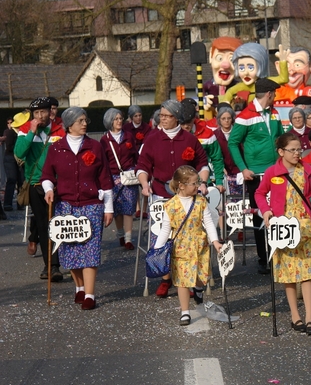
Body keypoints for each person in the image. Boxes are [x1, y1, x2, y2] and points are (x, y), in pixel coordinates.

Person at [41, 107, 114, 309]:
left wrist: (109, 208)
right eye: (80, 120)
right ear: (69, 124)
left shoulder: (95, 146)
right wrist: (49, 189)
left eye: (85, 120)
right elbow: (47, 175)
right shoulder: (56, 149)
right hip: (65, 205)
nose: (84, 124)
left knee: (90, 249)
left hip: (92, 205)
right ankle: (79, 288)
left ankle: (90, 295)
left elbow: (105, 179)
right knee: (70, 249)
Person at [136, 99, 210, 297]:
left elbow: (202, 164)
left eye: (167, 116)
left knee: (187, 237)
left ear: (177, 117)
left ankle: (188, 279)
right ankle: (166, 277)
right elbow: (143, 166)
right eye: (161, 116)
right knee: (162, 235)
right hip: (161, 192)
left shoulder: (189, 139)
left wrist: (202, 182)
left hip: (187, 195)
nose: (163, 119)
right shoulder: (151, 139)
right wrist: (144, 184)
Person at [255, 132, 311, 335]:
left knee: (307, 273)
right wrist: (266, 210)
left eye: (299, 149)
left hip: (304, 226)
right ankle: (295, 316)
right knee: (288, 274)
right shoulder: (272, 172)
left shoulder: (309, 171)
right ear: (281, 151)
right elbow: (259, 193)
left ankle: (310, 318)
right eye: (292, 150)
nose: (297, 153)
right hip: (282, 227)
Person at [228, 78, 284, 274]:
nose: (275, 97)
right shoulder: (245, 116)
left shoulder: (274, 113)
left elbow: (281, 138)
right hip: (256, 174)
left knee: (280, 212)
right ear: (268, 94)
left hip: (276, 171)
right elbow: (233, 143)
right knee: (261, 216)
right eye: (274, 94)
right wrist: (243, 168)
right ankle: (263, 257)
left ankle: (280, 253)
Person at [153, 165, 222, 325]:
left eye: (198, 182)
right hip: (180, 249)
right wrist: (157, 249)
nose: (197, 186)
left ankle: (198, 289)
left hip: (200, 247)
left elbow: (209, 223)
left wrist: (215, 241)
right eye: (194, 183)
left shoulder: (200, 202)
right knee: (182, 281)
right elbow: (165, 230)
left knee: (199, 278)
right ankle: (185, 312)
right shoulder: (170, 206)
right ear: (181, 185)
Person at [15, 97, 66, 280]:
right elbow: (19, 153)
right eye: (35, 113)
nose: (39, 116)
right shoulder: (25, 129)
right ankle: (50, 265)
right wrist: (31, 133)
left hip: (58, 185)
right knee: (44, 226)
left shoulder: (60, 129)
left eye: (43, 112)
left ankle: (59, 263)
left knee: (58, 223)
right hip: (35, 185)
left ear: (50, 112)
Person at [100, 108, 139, 250]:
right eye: (116, 119)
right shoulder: (105, 140)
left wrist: (137, 170)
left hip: (128, 176)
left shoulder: (128, 136)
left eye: (120, 118)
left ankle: (128, 239)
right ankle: (121, 234)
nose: (119, 121)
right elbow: (103, 161)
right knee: (117, 209)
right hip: (113, 177)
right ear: (110, 121)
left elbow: (135, 155)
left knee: (128, 208)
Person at [220, 43, 289, 105]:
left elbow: (283, 79)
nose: (246, 73)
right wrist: (225, 103)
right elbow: (229, 92)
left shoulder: (266, 82)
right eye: (241, 68)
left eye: (250, 68)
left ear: (261, 66)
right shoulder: (240, 86)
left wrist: (283, 62)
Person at [180, 101, 225, 192]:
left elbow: (217, 158)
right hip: (180, 183)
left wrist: (219, 182)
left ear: (194, 118)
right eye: (182, 123)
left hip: (203, 183)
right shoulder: (172, 133)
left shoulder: (207, 133)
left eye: (188, 122)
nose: (185, 126)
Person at [203, 36, 243, 113]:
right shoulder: (209, 85)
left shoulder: (237, 86)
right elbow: (201, 91)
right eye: (219, 58)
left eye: (232, 60)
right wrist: (204, 100)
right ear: (211, 57)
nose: (225, 65)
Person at [213, 104, 242, 196]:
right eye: (223, 118)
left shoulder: (239, 132)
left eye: (229, 118)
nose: (226, 121)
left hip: (240, 170)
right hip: (224, 171)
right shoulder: (215, 135)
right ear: (219, 120)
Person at [2, 113, 25, 211]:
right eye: (8, 123)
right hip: (11, 157)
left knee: (19, 180)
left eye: (11, 123)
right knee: (12, 180)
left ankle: (19, 203)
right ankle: (8, 204)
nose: (10, 125)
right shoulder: (9, 132)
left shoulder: (16, 133)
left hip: (15, 157)